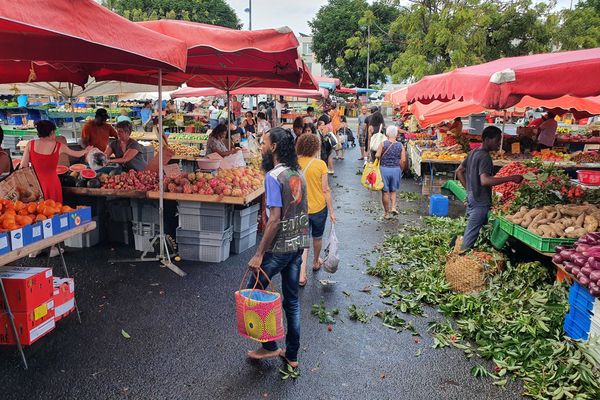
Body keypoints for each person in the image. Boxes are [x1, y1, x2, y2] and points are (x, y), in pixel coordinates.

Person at [245, 127, 309, 370]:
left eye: (263, 143)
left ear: (273, 148)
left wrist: (259, 253)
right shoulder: (297, 173)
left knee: (254, 291)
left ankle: (269, 346)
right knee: (291, 301)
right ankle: (291, 355)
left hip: (279, 248)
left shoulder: (273, 176)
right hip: (298, 244)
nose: (261, 147)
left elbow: (274, 219)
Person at [456, 126, 523, 250]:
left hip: (472, 199)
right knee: (469, 238)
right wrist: (511, 178)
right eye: (497, 140)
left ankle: (458, 252)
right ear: (487, 139)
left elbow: (459, 171)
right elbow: (485, 181)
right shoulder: (485, 157)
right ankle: (459, 260)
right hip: (480, 203)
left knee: (470, 230)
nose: (499, 144)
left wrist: (469, 190)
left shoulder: (473, 152)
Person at [296, 134, 336, 286]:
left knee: (303, 241)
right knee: (317, 238)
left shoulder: (295, 164)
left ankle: (301, 274)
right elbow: (325, 190)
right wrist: (331, 210)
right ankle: (315, 262)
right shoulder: (320, 165)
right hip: (318, 207)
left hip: (300, 208)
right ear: (316, 147)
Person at [375, 126, 407, 219]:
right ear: (396, 134)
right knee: (393, 191)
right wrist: (401, 169)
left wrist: (379, 157)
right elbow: (403, 160)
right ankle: (393, 207)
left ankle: (386, 213)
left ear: (387, 134)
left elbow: (377, 155)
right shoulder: (400, 145)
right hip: (396, 170)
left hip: (384, 169)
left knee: (385, 192)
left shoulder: (383, 144)